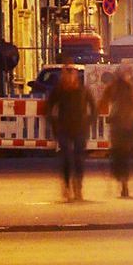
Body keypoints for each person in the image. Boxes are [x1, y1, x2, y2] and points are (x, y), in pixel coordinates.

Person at [44, 62, 93, 201]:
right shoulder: (59, 90)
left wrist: (88, 122)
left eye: (72, 74)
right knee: (66, 157)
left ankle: (78, 185)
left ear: (75, 75)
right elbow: (49, 107)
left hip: (80, 128)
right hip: (64, 128)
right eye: (67, 73)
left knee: (78, 159)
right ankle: (66, 185)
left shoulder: (83, 90)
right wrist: (54, 124)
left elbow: (93, 107)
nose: (70, 77)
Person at [98, 67, 133, 197]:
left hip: (120, 125)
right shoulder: (128, 88)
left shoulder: (115, 87)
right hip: (126, 125)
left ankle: (123, 180)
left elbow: (103, 103)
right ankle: (124, 181)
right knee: (124, 154)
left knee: (120, 154)